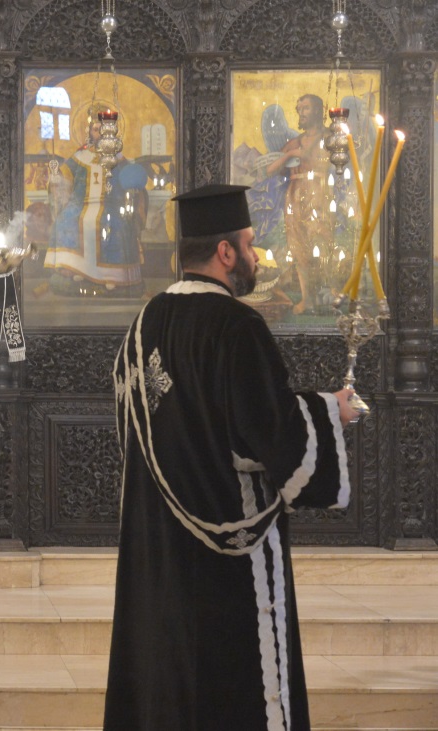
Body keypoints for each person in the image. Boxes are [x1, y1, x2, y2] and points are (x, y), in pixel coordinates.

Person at [105, 184, 359, 730]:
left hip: (160, 551)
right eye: (248, 244)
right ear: (225, 252)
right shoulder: (237, 326)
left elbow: (174, 425)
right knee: (234, 687)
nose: (255, 255)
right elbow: (266, 431)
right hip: (229, 564)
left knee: (171, 685)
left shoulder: (143, 323)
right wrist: (329, 411)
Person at [41, 105, 147, 296]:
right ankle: (73, 271)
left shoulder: (119, 158)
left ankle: (113, 278)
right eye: (96, 129)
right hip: (79, 205)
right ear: (89, 131)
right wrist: (57, 177)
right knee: (66, 220)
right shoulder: (80, 157)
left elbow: (132, 179)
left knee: (117, 225)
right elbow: (65, 176)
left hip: (111, 206)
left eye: (103, 130)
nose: (99, 133)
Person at [265, 94, 334, 315]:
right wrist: (292, 154)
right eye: (299, 109)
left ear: (318, 111)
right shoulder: (295, 143)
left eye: (306, 108)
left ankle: (328, 296)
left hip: (320, 194)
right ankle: (307, 300)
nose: (301, 113)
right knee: (298, 246)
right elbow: (269, 170)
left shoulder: (331, 137)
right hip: (295, 196)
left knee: (321, 241)